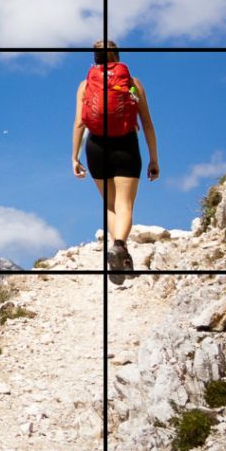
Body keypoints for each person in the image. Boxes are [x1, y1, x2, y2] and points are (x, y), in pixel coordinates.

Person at [72, 40, 159, 284]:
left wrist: (74, 157)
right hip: (126, 144)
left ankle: (121, 254)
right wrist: (154, 158)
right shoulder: (133, 84)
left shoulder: (85, 85)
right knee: (124, 205)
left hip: (95, 147)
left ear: (95, 59)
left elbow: (80, 123)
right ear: (117, 56)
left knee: (109, 205)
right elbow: (147, 123)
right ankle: (120, 246)